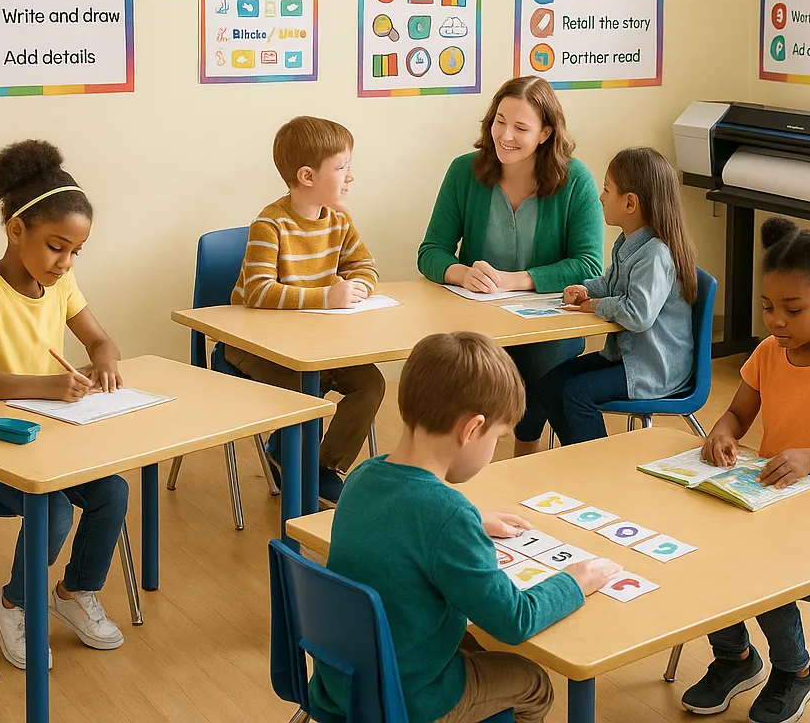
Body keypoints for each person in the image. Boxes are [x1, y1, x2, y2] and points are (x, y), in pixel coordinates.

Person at [311, 331, 620, 723]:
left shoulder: (364, 476)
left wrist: (473, 520)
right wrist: (574, 581)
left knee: (473, 644)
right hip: (407, 698)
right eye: (497, 437)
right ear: (472, 429)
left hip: (344, 678)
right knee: (533, 682)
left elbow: (408, 517)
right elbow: (514, 620)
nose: (494, 449)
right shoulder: (447, 516)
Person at [681, 217, 810, 723]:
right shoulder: (769, 353)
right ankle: (735, 659)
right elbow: (737, 414)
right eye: (767, 307)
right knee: (705, 548)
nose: (776, 322)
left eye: (792, 310)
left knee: (761, 565)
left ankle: (794, 671)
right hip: (772, 496)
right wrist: (723, 433)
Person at [0, 139, 129, 670]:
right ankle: (15, 603)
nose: (65, 262)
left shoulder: (62, 283)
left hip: (43, 435)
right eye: (56, 246)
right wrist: (50, 386)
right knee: (49, 506)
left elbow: (100, 341)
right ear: (16, 229)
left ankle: (72, 594)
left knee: (111, 492)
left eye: (75, 251)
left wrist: (106, 360)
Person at [417, 76, 603, 456]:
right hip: (479, 317)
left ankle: (526, 452)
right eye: (500, 121)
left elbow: (588, 264)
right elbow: (431, 251)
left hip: (549, 322)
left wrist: (513, 281)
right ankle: (459, 469)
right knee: (467, 367)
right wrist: (462, 273)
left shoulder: (575, 180)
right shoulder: (463, 172)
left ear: (546, 133)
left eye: (521, 127)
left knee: (543, 360)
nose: (505, 135)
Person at [225, 115, 385, 504]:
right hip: (253, 346)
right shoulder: (270, 223)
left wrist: (360, 285)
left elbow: (364, 266)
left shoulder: (339, 220)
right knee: (305, 391)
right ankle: (289, 453)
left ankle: (321, 467)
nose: (351, 177)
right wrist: (326, 297)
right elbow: (258, 291)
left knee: (371, 384)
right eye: (342, 167)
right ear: (308, 176)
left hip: (315, 345)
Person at [541, 147, 697, 444]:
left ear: (629, 202)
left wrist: (593, 306)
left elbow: (638, 314)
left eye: (606, 189)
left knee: (577, 392)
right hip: (625, 357)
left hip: (652, 368)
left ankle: (599, 466)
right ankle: (577, 456)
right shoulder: (628, 244)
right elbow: (613, 282)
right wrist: (586, 289)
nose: (601, 197)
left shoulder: (654, 255)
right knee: (551, 383)